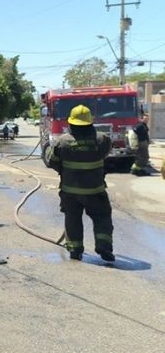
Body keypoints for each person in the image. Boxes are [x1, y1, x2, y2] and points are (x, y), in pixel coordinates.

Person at [47, 105, 114, 262]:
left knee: (72, 218)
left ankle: (75, 249)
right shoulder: (102, 139)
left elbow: (52, 162)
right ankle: (103, 246)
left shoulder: (61, 142)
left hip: (70, 191)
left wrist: (65, 171)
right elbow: (105, 155)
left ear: (71, 123)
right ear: (91, 122)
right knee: (102, 216)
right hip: (95, 190)